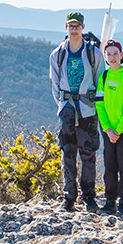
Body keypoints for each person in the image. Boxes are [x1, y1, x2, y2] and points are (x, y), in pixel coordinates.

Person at [48, 11, 102, 212]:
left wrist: (95, 105)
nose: (74, 29)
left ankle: (89, 197)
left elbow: (99, 80)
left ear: (82, 27)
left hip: (88, 109)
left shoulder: (94, 53)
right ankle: (69, 197)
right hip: (68, 109)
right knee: (68, 154)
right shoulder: (57, 54)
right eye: (71, 26)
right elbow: (54, 82)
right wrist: (62, 105)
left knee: (88, 154)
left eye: (77, 26)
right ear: (66, 27)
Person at [95, 39, 123, 215]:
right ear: (105, 57)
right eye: (109, 54)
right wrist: (107, 129)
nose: (113, 57)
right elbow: (99, 105)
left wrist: (118, 130)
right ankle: (110, 201)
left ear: (121, 55)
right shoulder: (104, 77)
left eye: (115, 53)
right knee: (109, 167)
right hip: (108, 132)